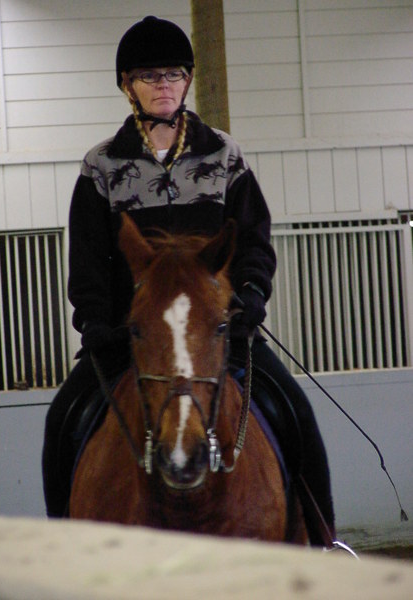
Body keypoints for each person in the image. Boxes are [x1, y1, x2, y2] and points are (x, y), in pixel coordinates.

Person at [42, 15, 335, 545]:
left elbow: (254, 238)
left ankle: (325, 538)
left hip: (219, 332)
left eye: (174, 74)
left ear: (188, 80)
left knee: (295, 411)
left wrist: (251, 294)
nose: (163, 85)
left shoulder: (223, 154)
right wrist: (95, 321)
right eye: (149, 76)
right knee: (63, 419)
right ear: (127, 84)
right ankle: (61, 543)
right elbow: (86, 258)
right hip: (130, 337)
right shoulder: (101, 165)